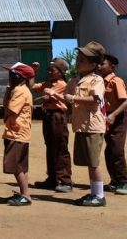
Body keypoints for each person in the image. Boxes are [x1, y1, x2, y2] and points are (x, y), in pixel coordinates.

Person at [46, 42, 108, 206]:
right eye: (78, 59)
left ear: (94, 64)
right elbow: (67, 100)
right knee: (89, 162)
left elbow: (95, 100)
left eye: (82, 60)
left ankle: (99, 196)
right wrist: (54, 94)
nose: (78, 62)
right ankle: (94, 193)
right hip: (81, 125)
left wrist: (72, 98)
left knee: (94, 163)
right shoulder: (76, 81)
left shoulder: (97, 80)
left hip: (93, 126)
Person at [31, 58, 73, 192]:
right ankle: (53, 178)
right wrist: (33, 72)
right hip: (48, 115)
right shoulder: (48, 82)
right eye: (49, 69)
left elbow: (49, 96)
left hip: (57, 116)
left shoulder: (61, 84)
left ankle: (65, 180)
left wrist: (46, 97)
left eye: (52, 69)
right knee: (50, 147)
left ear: (61, 72)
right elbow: (32, 86)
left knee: (60, 147)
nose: (49, 71)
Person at [1, 62, 34, 206]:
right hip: (20, 133)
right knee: (21, 165)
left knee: (15, 166)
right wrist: (9, 89)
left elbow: (10, 109)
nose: (9, 77)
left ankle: (25, 195)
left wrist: (8, 91)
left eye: (12, 74)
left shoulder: (20, 91)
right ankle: (24, 193)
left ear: (20, 77)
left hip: (17, 133)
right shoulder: (19, 89)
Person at [100, 54, 127, 195]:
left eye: (102, 63)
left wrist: (113, 115)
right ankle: (114, 181)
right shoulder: (101, 82)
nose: (99, 66)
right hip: (107, 118)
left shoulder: (116, 81)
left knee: (116, 150)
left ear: (112, 66)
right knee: (109, 150)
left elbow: (125, 101)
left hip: (117, 118)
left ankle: (124, 181)